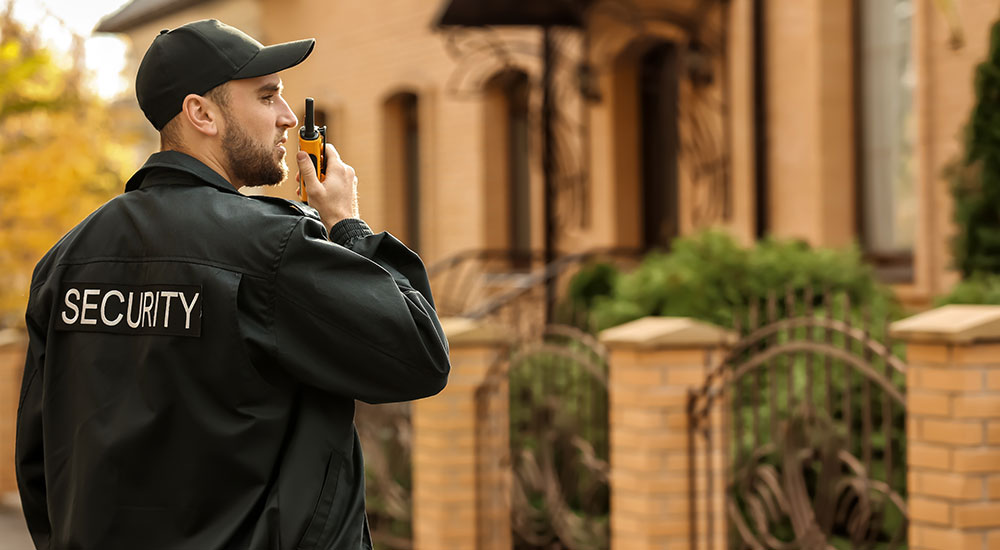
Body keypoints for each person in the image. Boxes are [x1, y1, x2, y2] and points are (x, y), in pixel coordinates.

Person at [15, 19, 450, 550]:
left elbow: (39, 464)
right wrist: (347, 224)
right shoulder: (274, 247)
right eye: (268, 98)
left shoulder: (65, 262)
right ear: (202, 113)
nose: (289, 119)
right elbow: (420, 353)